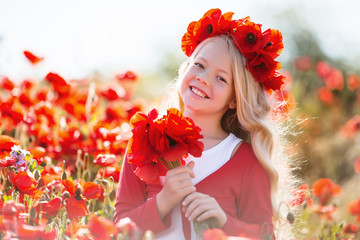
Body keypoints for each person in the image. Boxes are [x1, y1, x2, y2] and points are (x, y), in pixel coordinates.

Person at [114, 8, 293, 239]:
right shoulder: (144, 142)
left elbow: (264, 234)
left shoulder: (246, 160)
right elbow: (118, 227)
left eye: (221, 78)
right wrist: (163, 200)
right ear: (186, 68)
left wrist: (224, 221)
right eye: (199, 65)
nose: (203, 78)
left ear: (234, 99)